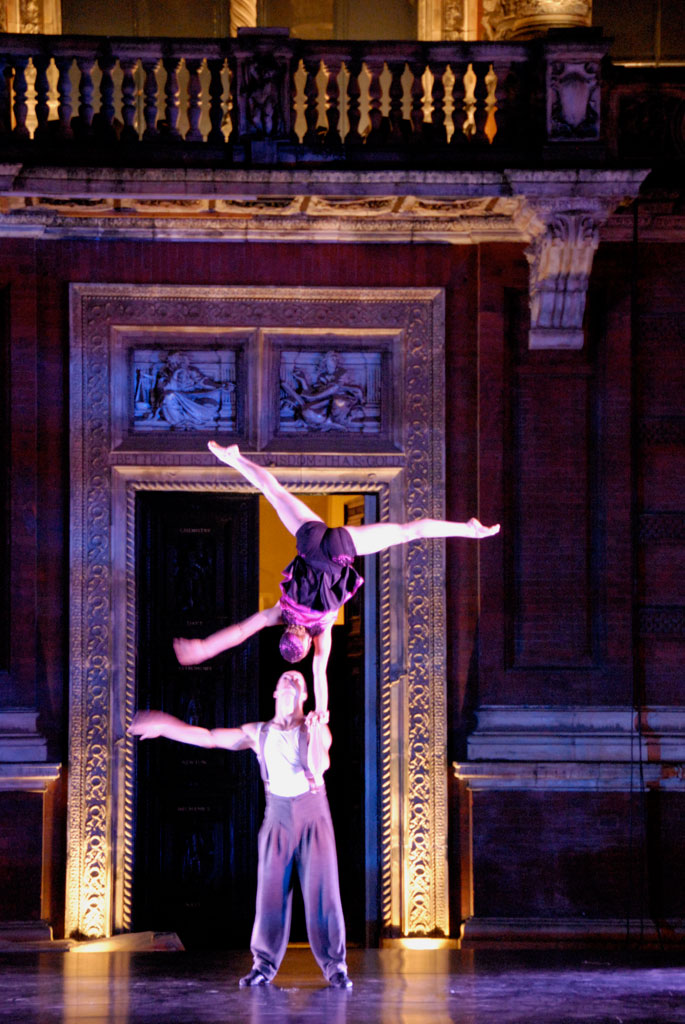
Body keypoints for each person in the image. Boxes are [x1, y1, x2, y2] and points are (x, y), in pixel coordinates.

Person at [174, 442, 500, 719]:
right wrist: (203, 648)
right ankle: (235, 459)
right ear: (287, 633)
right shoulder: (280, 613)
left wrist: (322, 711)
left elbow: (319, 673)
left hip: (339, 550)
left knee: (406, 532)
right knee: (273, 491)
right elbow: (241, 631)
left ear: (306, 644)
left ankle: (468, 529)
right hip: (311, 542)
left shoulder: (321, 628)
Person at [129, 670, 353, 989]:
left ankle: (335, 967)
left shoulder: (314, 728)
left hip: (313, 813)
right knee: (270, 895)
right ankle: (263, 966)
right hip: (277, 816)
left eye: (297, 680)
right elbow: (209, 737)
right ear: (275, 692)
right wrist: (166, 727)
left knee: (323, 893)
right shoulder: (258, 733)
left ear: (304, 695)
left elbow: (319, 765)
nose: (291, 679)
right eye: (285, 677)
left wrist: (316, 729)